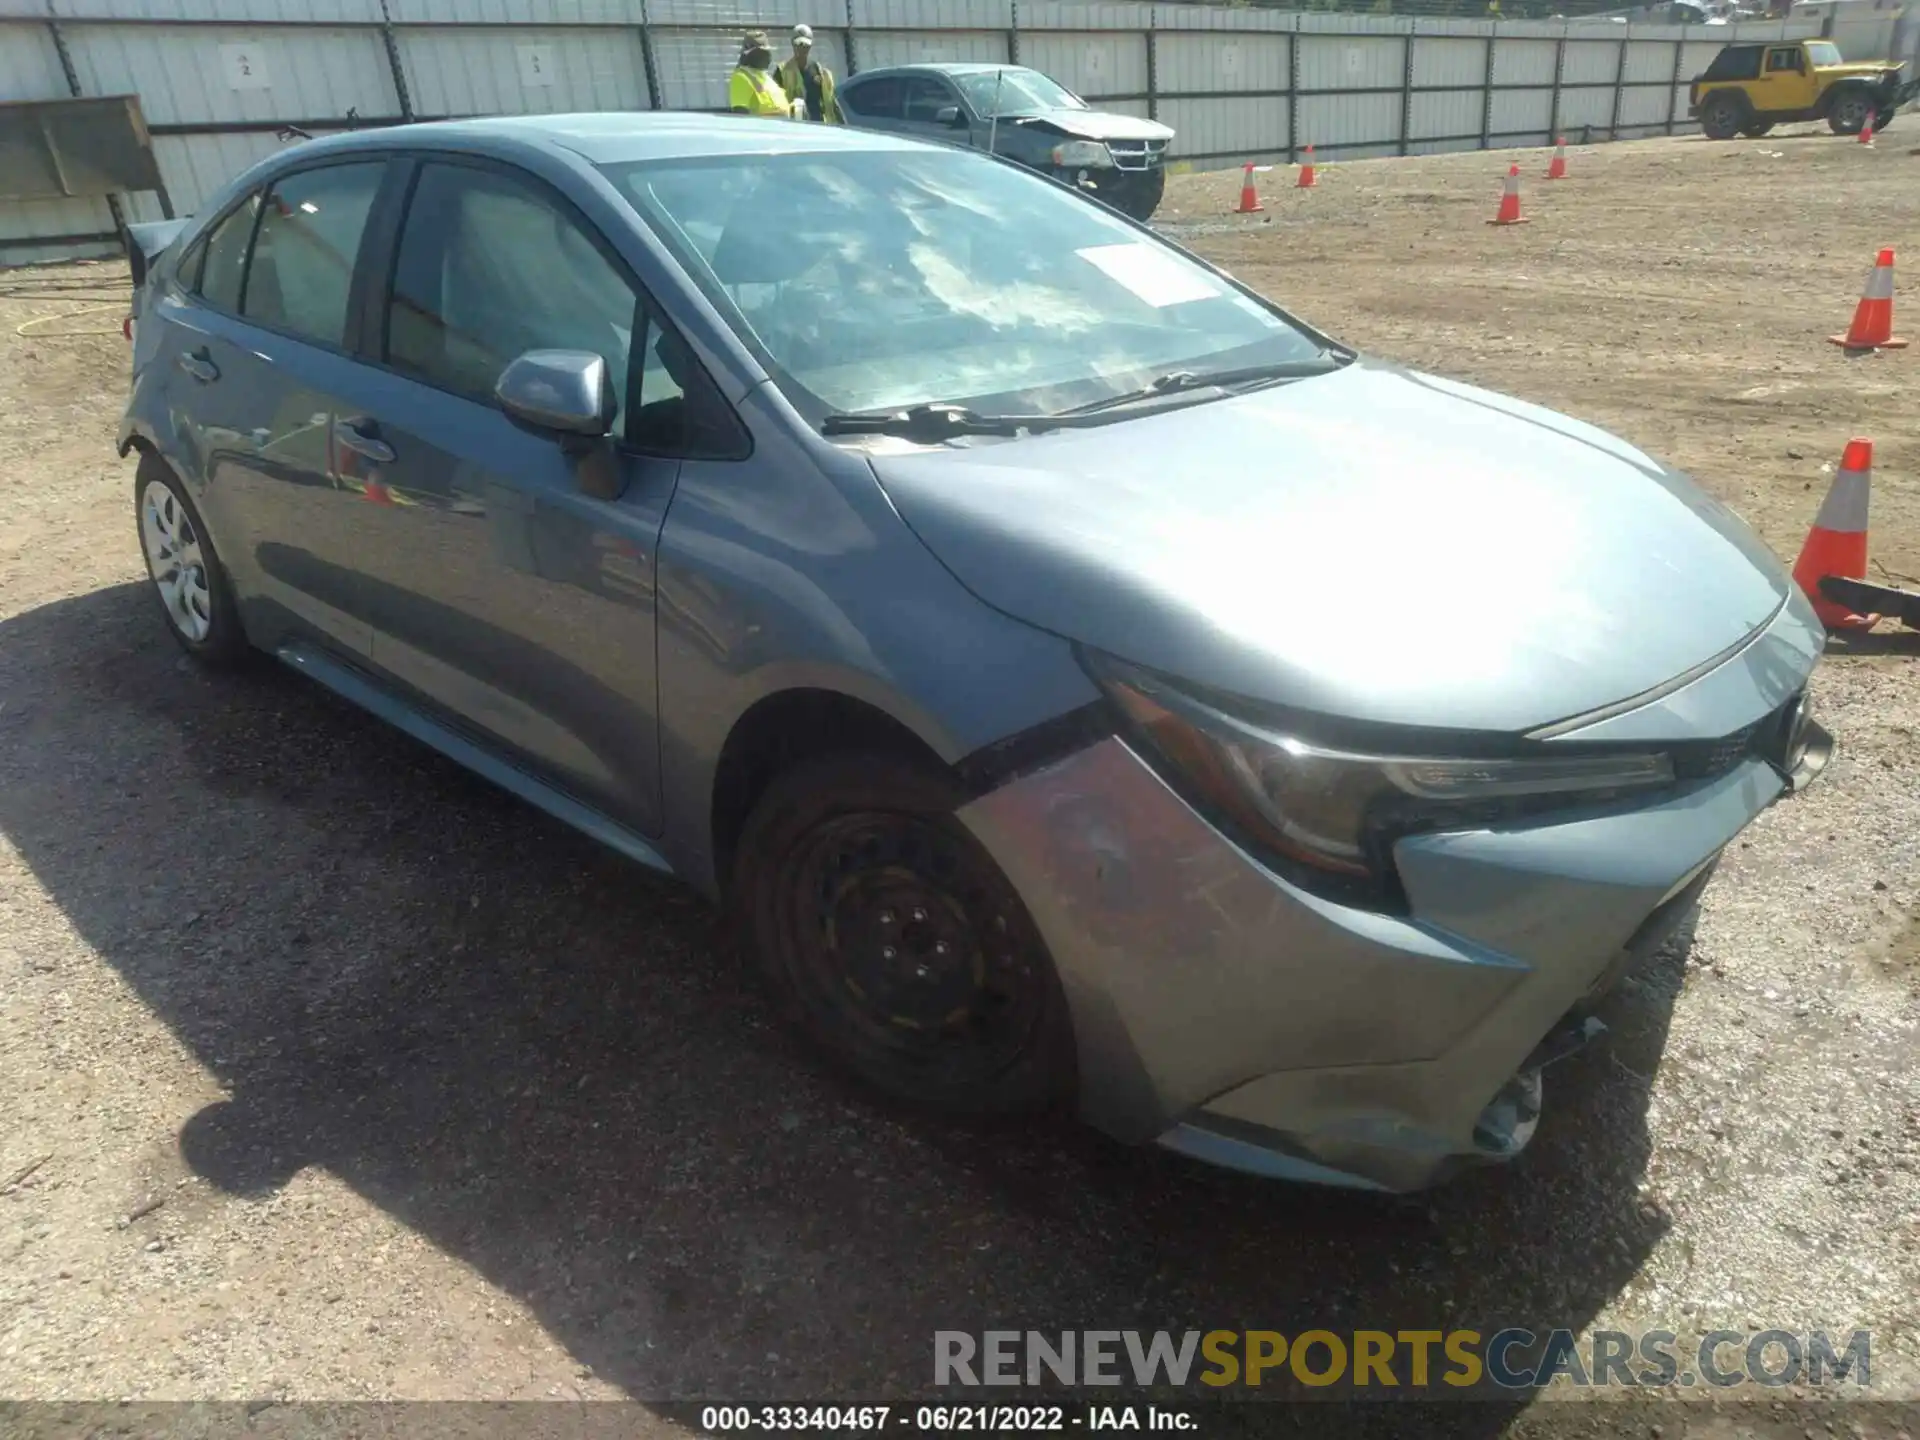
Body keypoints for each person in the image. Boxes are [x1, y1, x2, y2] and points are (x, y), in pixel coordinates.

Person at [775, 24, 844, 124]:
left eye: (805, 46)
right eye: (798, 44)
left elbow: (832, 104)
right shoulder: (782, 71)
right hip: (794, 126)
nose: (801, 49)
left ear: (810, 46)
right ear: (793, 45)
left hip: (819, 126)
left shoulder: (821, 72)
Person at [728, 30, 790, 117]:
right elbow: (740, 116)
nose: (767, 56)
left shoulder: (765, 76)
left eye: (767, 52)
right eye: (762, 53)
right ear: (749, 55)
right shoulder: (741, 77)